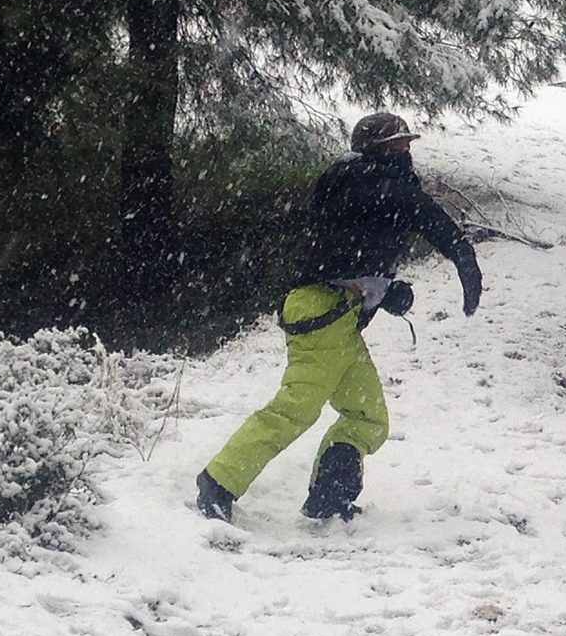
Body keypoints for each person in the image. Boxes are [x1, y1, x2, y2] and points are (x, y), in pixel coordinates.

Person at [194, 112, 481, 525]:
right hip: (321, 310)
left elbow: (353, 250)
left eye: (407, 144)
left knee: (367, 417)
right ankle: (217, 483)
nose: (406, 152)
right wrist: (463, 260)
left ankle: (331, 494)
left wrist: (381, 291)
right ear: (378, 151)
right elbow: (420, 220)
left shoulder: (364, 185)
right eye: (398, 145)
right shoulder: (370, 184)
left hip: (337, 315)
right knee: (295, 409)